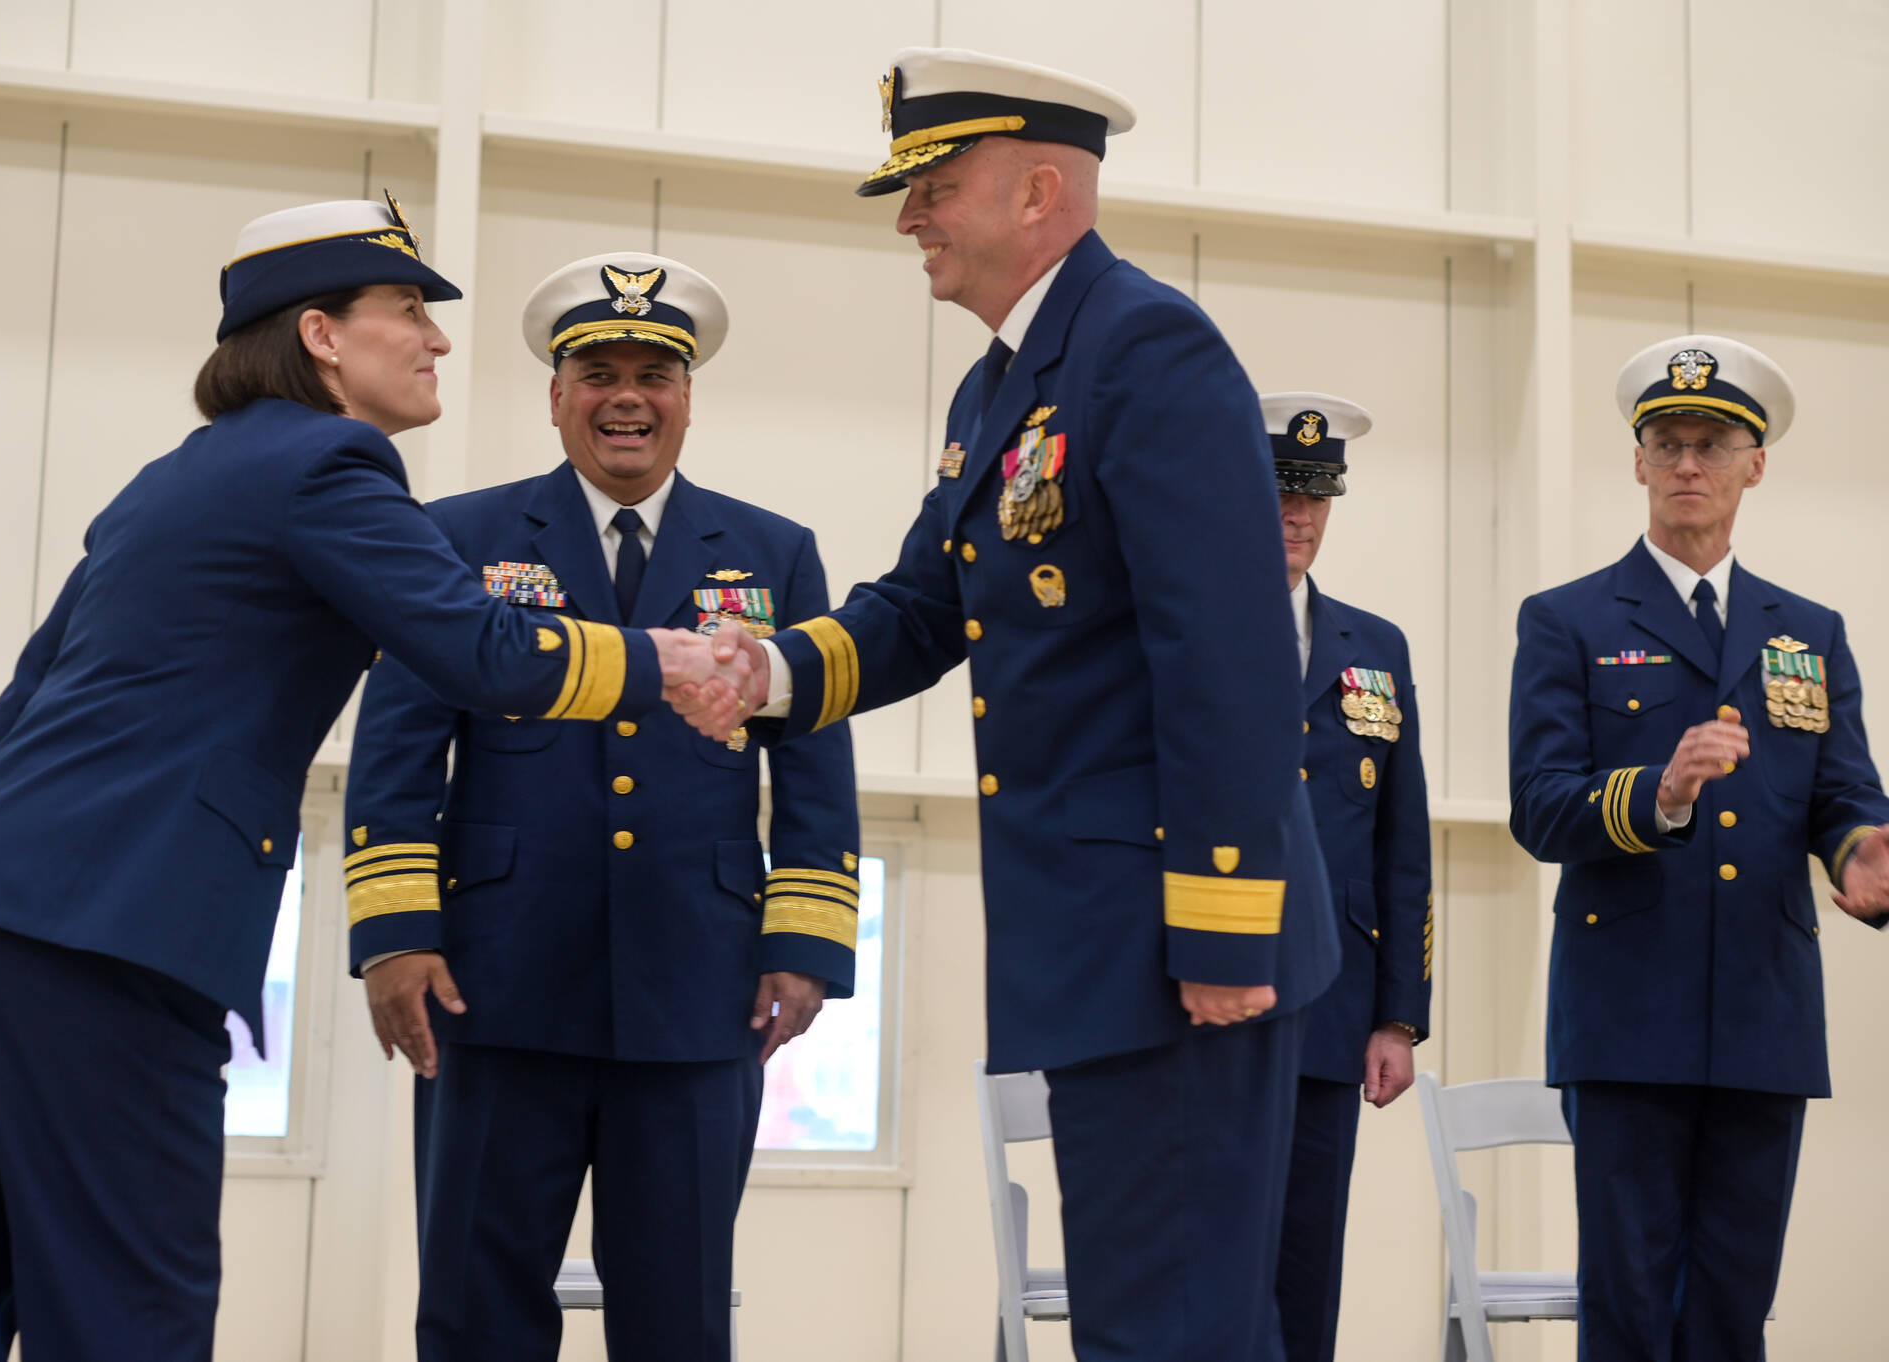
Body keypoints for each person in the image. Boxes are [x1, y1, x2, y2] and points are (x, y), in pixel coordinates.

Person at [0, 198, 754, 1362]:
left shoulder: (180, 474)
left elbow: (23, 703)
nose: (434, 340)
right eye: (410, 311)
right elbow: (478, 650)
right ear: (321, 334)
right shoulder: (330, 461)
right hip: (113, 928)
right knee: (131, 1296)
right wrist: (658, 658)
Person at [707, 48, 1340, 1362]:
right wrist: (763, 672)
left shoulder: (1146, 348)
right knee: (1138, 1308)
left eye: (933, 184)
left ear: (1040, 190)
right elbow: (923, 607)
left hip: (1182, 938)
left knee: (1176, 1321)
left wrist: (1226, 925)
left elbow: (1224, 653)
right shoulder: (1001, 384)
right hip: (1096, 937)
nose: (909, 217)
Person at [345, 252, 860, 1362]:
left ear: (686, 398)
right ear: (555, 396)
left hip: (696, 992)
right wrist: (394, 937)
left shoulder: (773, 555)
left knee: (677, 1316)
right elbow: (393, 757)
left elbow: (814, 771)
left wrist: (805, 945)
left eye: (653, 374)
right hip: (490, 986)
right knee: (476, 1308)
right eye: (597, 371)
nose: (626, 395)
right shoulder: (457, 539)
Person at [1507, 333, 1889, 1362]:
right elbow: (1538, 809)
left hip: (1762, 1012)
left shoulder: (1805, 632)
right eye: (1665, 443)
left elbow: (1841, 796)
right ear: (1635, 462)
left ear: (1751, 466)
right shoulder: (1567, 621)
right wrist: (1659, 793)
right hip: (1626, 1010)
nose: (1686, 464)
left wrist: (1859, 855)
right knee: (1627, 1300)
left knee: (1730, 1300)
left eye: (1710, 445)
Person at [1262, 393, 1432, 1362]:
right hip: (1205, 1008)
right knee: (1211, 1266)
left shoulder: (1377, 650)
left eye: (1318, 494)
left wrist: (1396, 1016)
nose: (1300, 514)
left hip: (1332, 1013)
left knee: (1304, 1274)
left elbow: (1399, 849)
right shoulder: (1186, 622)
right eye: (1283, 488)